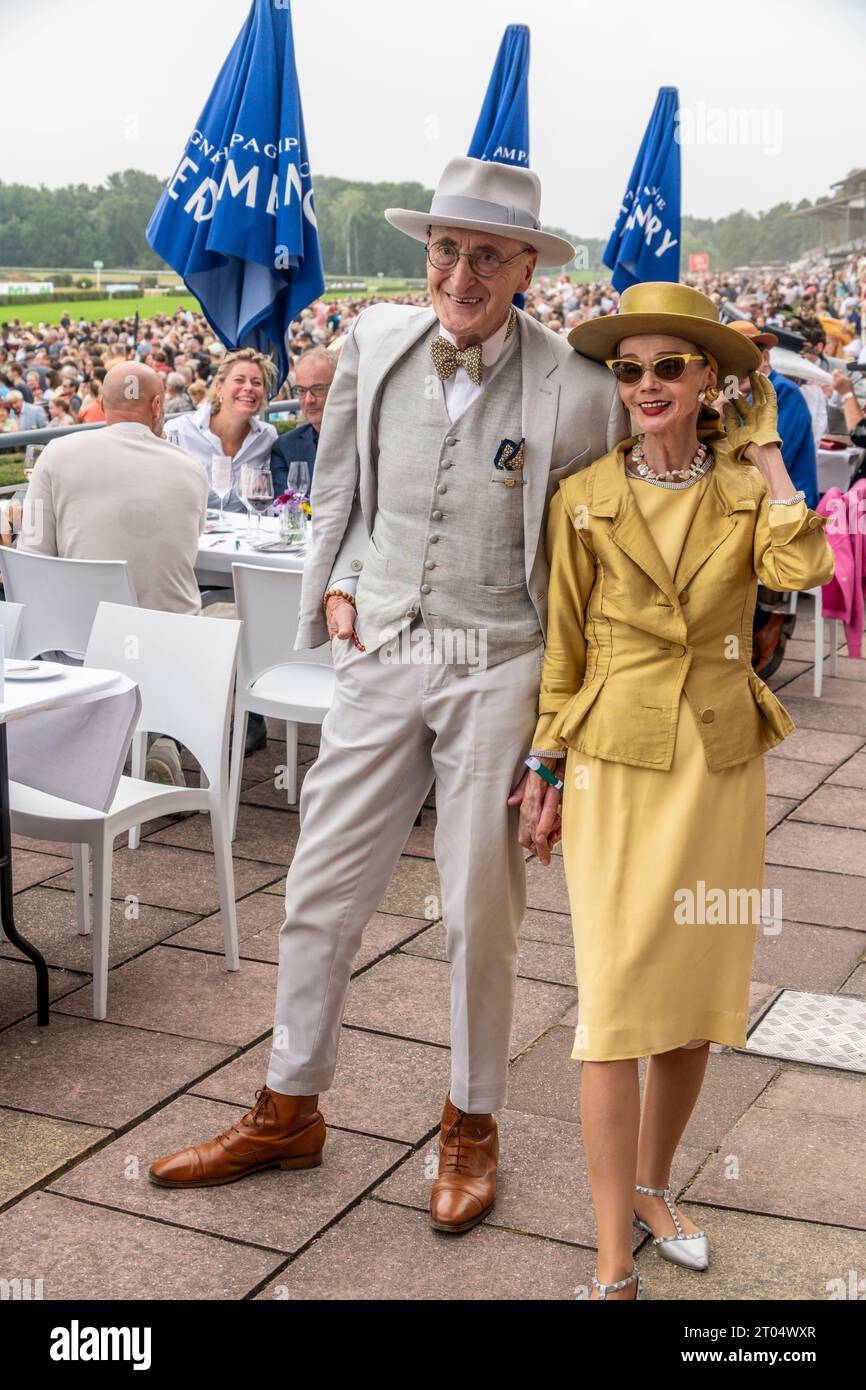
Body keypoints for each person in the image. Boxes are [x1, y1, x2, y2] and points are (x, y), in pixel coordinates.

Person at [148, 155, 626, 1233]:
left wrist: (559, 740)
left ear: (524, 267)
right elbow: (342, 492)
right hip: (382, 656)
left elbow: (585, 568)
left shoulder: (576, 388)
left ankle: (469, 1121)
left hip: (500, 661)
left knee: (478, 907)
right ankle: (288, 1104)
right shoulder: (370, 343)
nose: (460, 272)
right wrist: (346, 588)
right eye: (445, 249)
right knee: (317, 886)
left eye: (486, 254)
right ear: (428, 255)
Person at [518, 282, 834, 1300]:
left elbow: (805, 560)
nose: (645, 385)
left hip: (716, 763)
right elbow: (561, 650)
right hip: (613, 760)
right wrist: (544, 767)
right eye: (629, 370)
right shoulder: (580, 497)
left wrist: (766, 450)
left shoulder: (744, 491)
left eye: (668, 367)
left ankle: (654, 1188)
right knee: (612, 1005)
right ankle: (612, 1260)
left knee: (693, 1003)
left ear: (708, 379)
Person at [728, 321, 820, 676]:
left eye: (751, 354)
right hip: (747, 495)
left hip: (786, 497)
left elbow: (774, 460)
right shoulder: (730, 397)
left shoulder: (785, 394)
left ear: (764, 358)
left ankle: (766, 620)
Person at [269, 347, 335, 497]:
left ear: (338, 387)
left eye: (318, 389)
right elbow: (288, 507)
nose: (309, 400)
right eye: (301, 390)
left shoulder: (364, 441)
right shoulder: (285, 447)